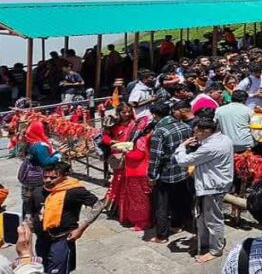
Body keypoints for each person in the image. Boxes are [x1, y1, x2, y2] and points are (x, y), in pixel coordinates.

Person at [172, 116, 234, 263]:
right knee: (203, 217)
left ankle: (215, 250)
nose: (195, 136)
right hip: (214, 184)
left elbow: (183, 161)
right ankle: (205, 244)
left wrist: (182, 146)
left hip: (212, 187)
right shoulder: (223, 139)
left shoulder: (211, 146)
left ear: (206, 131)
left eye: (197, 133)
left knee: (213, 220)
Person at [29, 162, 104, 274]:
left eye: (53, 177)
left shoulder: (74, 191)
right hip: (42, 238)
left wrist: (82, 227)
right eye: (45, 177)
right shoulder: (38, 191)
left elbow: (98, 205)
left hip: (62, 238)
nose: (48, 180)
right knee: (42, 268)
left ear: (64, 176)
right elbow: (31, 213)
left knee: (58, 270)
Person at [147, 101, 193, 243]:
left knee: (161, 205)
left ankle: (162, 235)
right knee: (178, 200)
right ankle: (177, 224)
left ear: (155, 115)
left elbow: (156, 156)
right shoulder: (185, 126)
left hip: (166, 173)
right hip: (182, 170)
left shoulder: (160, 132)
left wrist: (152, 175)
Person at [101, 103, 152, 231]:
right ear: (119, 113)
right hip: (118, 159)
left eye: (129, 111)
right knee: (119, 186)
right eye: (124, 112)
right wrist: (112, 142)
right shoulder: (113, 124)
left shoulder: (137, 125)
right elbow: (105, 137)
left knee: (132, 191)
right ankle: (121, 213)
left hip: (131, 160)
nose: (127, 114)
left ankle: (134, 216)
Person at [20, 120, 62, 216]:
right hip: (37, 179)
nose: (48, 131)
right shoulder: (40, 146)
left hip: (29, 177)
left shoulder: (30, 141)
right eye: (45, 129)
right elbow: (46, 163)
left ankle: (26, 219)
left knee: (28, 202)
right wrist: (58, 155)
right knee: (38, 201)